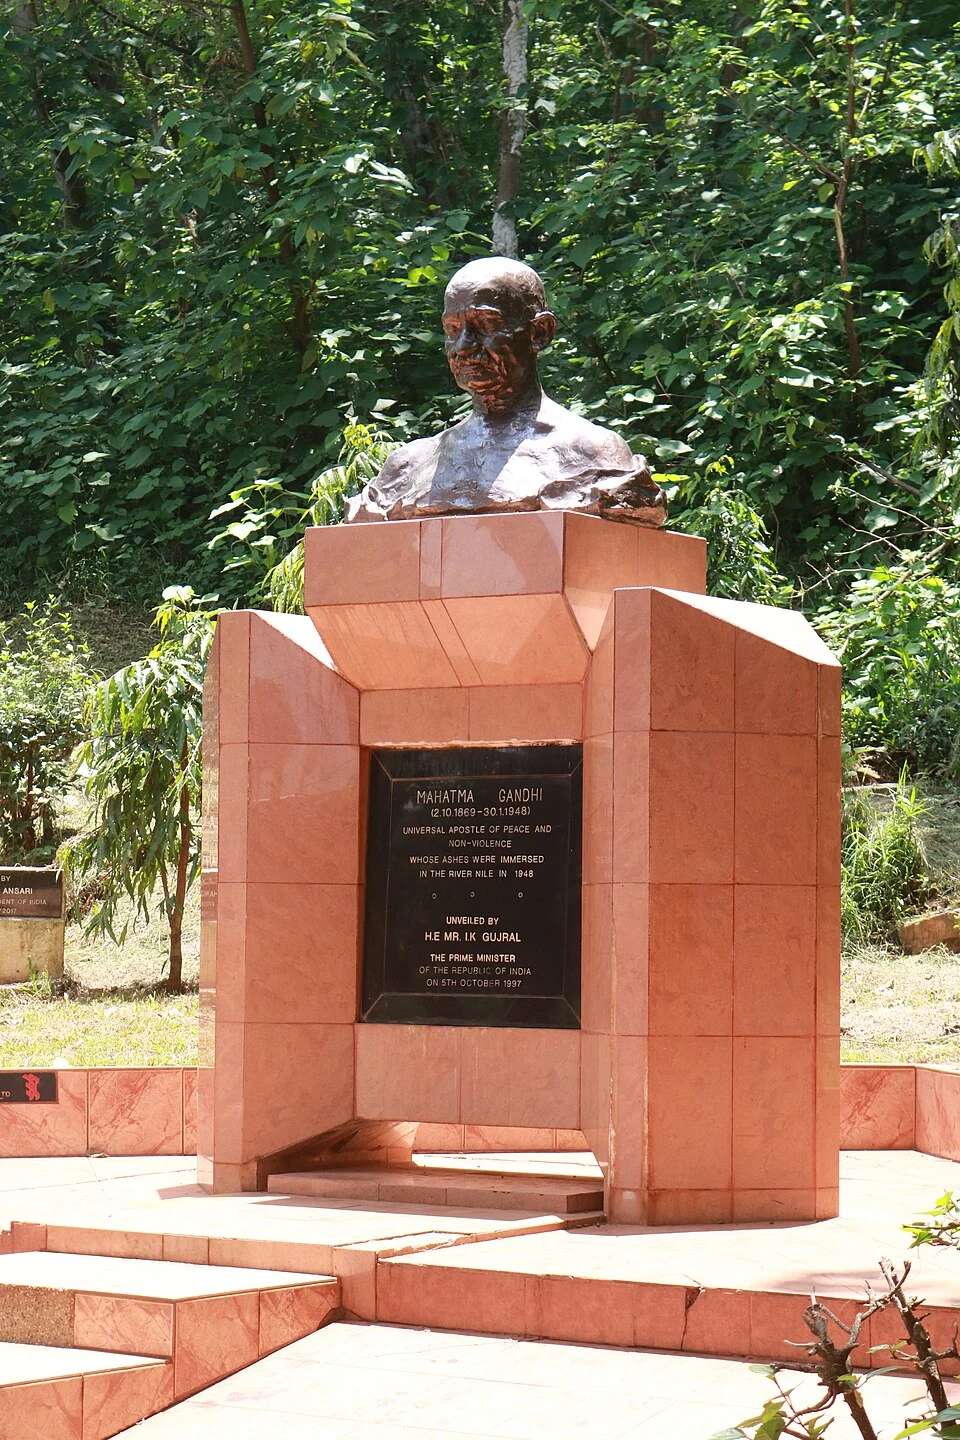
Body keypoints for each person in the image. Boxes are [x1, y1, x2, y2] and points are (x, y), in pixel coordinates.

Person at [346, 257, 667, 525]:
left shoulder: (591, 455)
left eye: (485, 325)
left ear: (539, 333)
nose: (463, 347)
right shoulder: (407, 467)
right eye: (452, 330)